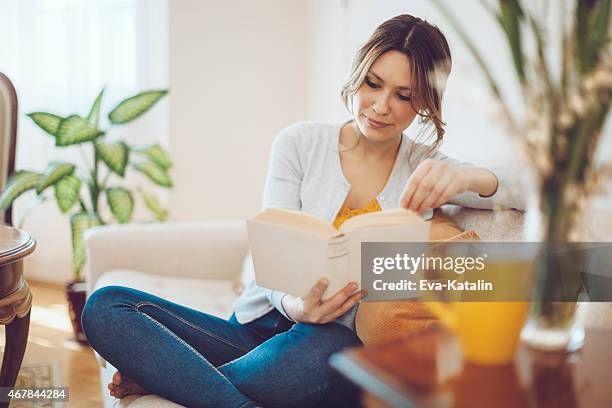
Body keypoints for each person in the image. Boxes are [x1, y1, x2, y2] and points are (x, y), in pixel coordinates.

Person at [82, 14, 521, 408]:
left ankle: (177, 381)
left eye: (404, 95)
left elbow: (538, 189)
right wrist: (296, 306)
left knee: (330, 353)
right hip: (256, 326)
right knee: (106, 306)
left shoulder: (427, 168)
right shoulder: (300, 143)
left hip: (326, 342)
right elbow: (270, 249)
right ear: (357, 75)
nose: (382, 105)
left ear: (425, 101)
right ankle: (224, 397)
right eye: (373, 83)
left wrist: (470, 179)